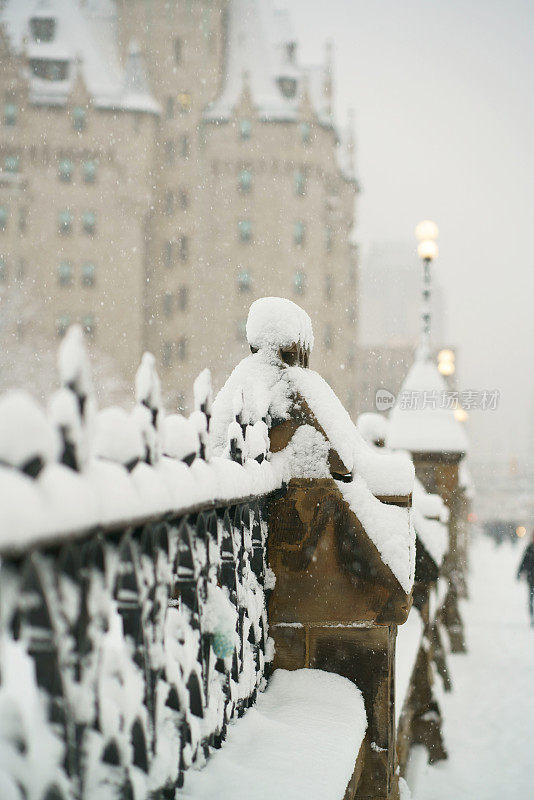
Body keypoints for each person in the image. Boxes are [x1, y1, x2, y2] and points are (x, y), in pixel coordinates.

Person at [517, 532, 534, 625]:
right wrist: (519, 573)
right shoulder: (529, 548)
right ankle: (532, 618)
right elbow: (523, 562)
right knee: (531, 599)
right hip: (531, 578)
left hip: (531, 577)